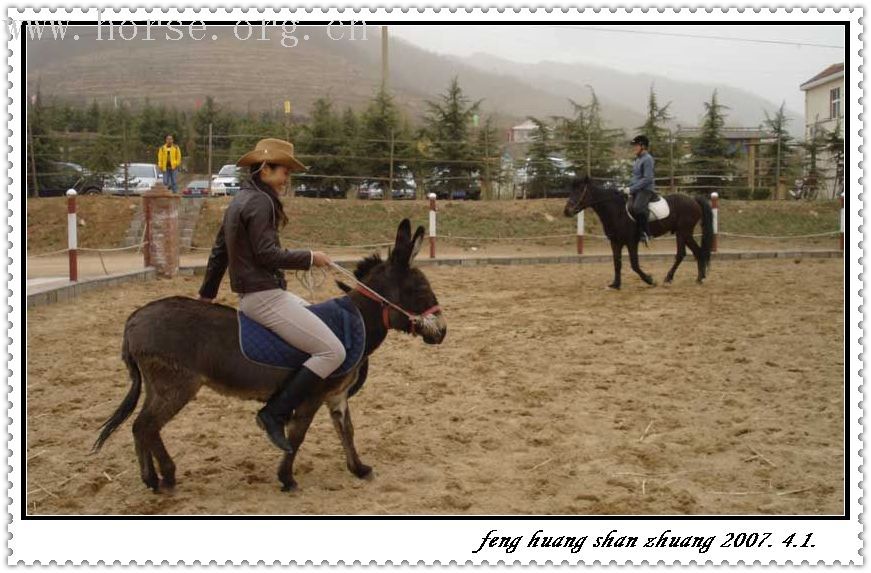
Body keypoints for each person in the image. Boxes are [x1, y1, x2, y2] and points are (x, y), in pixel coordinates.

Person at [198, 138, 343, 454]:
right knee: (333, 351)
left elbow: (219, 251)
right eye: (284, 170)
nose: (288, 177)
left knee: (316, 319)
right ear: (265, 168)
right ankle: (274, 413)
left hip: (257, 294)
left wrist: (207, 295)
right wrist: (310, 257)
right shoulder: (262, 202)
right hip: (265, 297)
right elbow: (266, 254)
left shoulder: (239, 200)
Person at [627, 134, 655, 246]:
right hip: (637, 189)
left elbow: (647, 179)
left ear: (643, 146)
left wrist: (632, 189)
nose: (634, 148)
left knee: (638, 207)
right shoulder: (638, 159)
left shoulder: (648, 159)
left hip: (646, 190)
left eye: (636, 146)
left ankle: (646, 233)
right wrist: (626, 187)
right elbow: (635, 177)